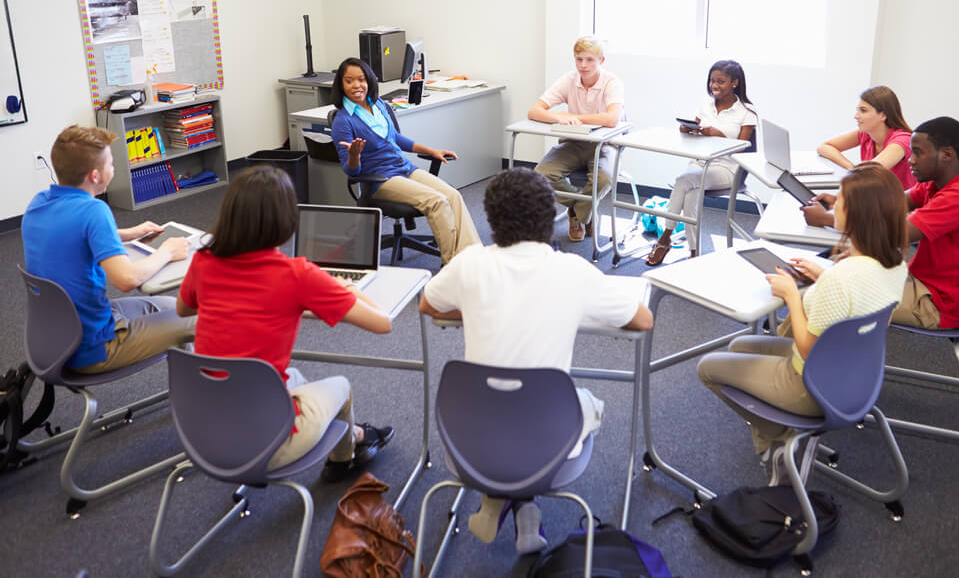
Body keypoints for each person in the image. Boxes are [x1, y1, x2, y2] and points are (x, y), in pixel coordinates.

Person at [419, 167, 653, 554]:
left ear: (491, 220)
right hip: (547, 444)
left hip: (470, 439)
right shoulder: (572, 270)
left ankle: (508, 505)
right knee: (584, 404)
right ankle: (524, 507)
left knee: (514, 412)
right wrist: (571, 310)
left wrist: (479, 308)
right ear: (552, 216)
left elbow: (430, 304)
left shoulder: (470, 262)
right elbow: (642, 320)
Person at [177, 165, 395, 481]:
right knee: (341, 387)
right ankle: (343, 459)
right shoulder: (297, 274)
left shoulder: (204, 260)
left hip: (203, 432)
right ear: (286, 220)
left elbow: (184, 309)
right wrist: (349, 289)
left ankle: (356, 434)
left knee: (293, 375)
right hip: (266, 444)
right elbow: (382, 322)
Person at [698, 163, 909, 483]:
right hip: (856, 375)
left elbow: (808, 349)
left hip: (813, 385)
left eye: (840, 201)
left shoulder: (841, 277)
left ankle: (778, 442)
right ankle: (780, 437)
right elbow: (871, 307)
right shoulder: (894, 266)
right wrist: (822, 275)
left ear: (858, 215)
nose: (832, 205)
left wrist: (792, 297)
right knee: (739, 345)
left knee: (709, 367)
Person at [21, 125, 195, 373]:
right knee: (201, 318)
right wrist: (166, 251)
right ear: (95, 176)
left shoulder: (39, 203)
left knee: (171, 305)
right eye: (111, 165)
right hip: (94, 347)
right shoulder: (94, 211)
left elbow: (70, 234)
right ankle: (205, 395)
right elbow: (127, 279)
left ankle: (187, 385)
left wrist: (126, 234)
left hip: (56, 337)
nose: (114, 170)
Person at [329, 57, 480, 264]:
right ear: (341, 85)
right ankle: (453, 266)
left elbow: (396, 139)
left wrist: (431, 150)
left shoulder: (378, 104)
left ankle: (473, 259)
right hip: (381, 179)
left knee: (452, 195)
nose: (356, 85)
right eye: (349, 81)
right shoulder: (343, 121)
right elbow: (351, 171)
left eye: (361, 79)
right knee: (437, 201)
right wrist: (355, 155)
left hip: (404, 168)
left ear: (369, 81)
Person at [646, 60, 757, 265]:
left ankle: (664, 239)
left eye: (721, 81)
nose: (714, 85)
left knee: (683, 182)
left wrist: (718, 135)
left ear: (734, 83)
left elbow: (743, 148)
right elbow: (696, 132)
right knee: (690, 195)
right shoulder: (705, 103)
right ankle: (694, 253)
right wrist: (688, 130)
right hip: (699, 162)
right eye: (712, 81)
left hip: (727, 167)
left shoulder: (747, 112)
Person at [889, 116, 959, 330]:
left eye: (918, 152)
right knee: (834, 276)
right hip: (924, 283)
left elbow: (895, 233)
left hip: (938, 303)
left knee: (839, 296)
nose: (911, 160)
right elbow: (892, 203)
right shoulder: (937, 183)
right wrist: (841, 205)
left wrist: (829, 219)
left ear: (947, 154)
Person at [528, 35, 624, 242]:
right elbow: (534, 111)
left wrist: (573, 117)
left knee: (605, 178)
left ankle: (578, 216)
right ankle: (584, 211)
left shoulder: (612, 82)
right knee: (541, 175)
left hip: (604, 144)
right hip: (574, 143)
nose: (583, 65)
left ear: (601, 61)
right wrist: (557, 117)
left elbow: (611, 119)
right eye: (579, 59)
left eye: (590, 60)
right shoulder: (569, 80)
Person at [803, 86, 916, 227]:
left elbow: (870, 172)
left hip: (898, 216)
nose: (856, 116)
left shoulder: (902, 140)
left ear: (883, 115)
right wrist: (851, 167)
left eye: (863, 111)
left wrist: (852, 179)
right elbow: (824, 147)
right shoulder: (866, 134)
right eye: (858, 110)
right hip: (876, 207)